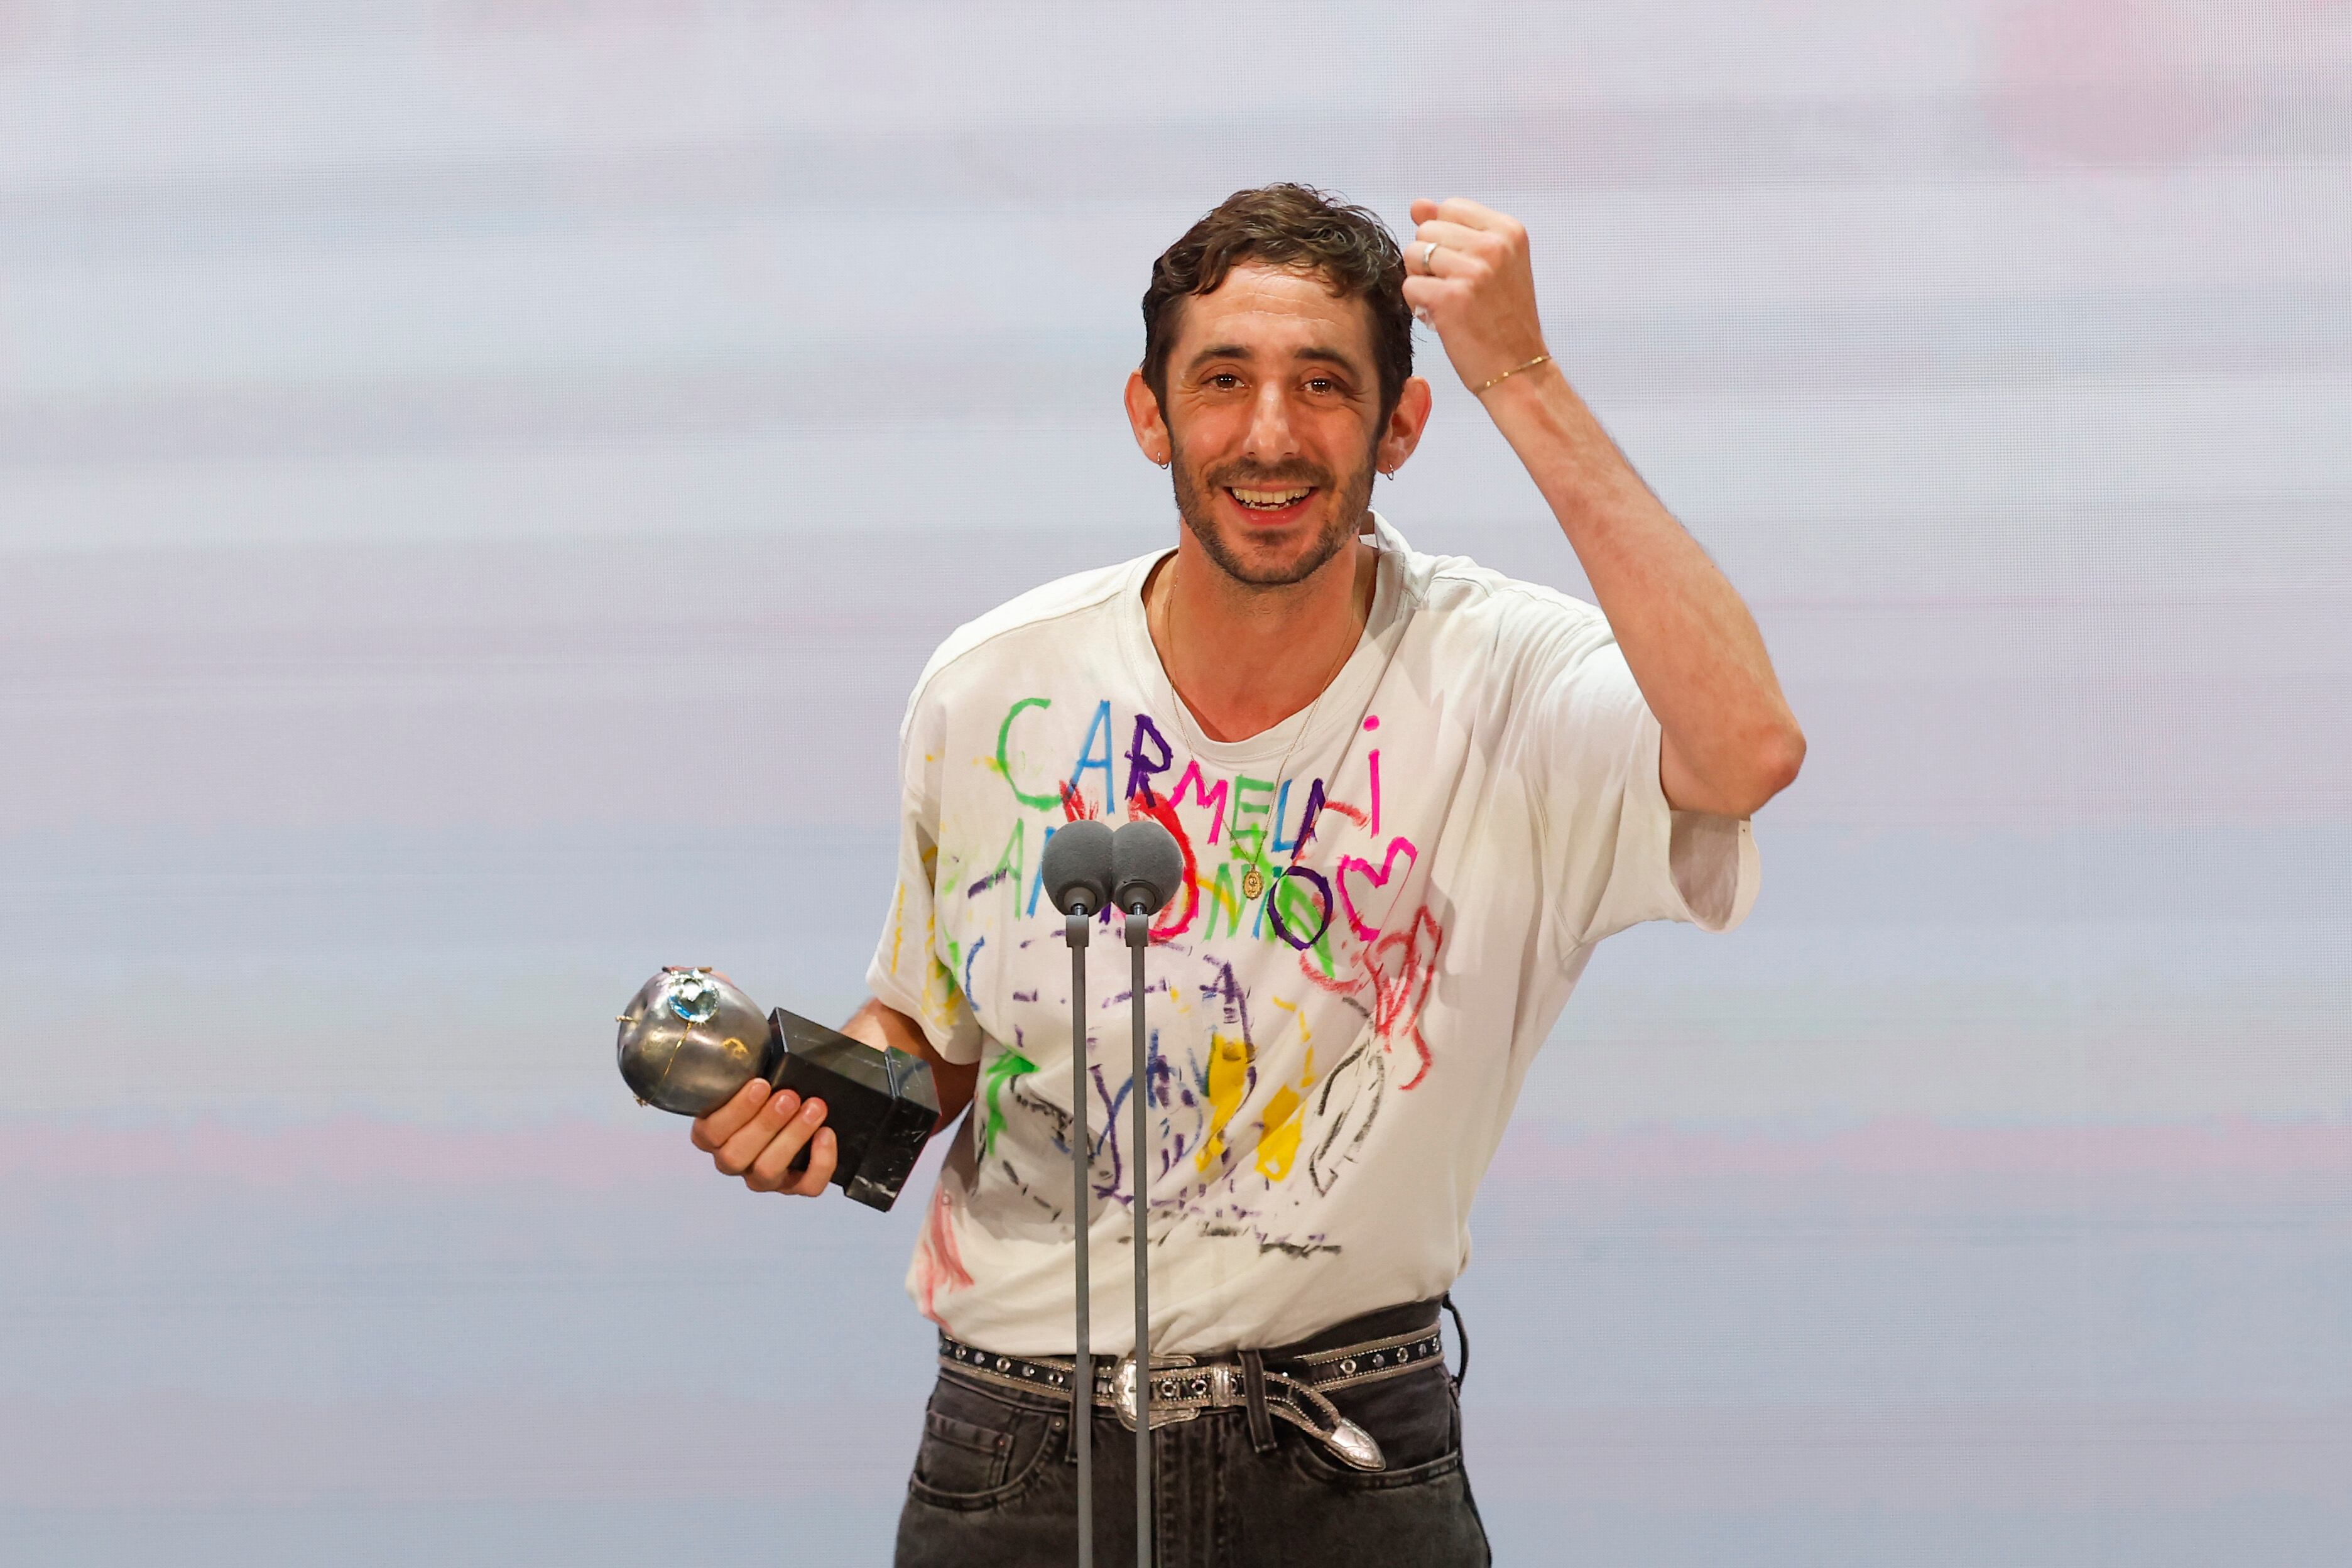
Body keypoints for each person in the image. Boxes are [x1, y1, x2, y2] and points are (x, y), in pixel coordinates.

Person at [689, 183, 1804, 1566]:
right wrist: (823, 1106)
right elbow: (939, 1032)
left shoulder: (1510, 680)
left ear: (1402, 425)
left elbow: (1749, 748)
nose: (1270, 435)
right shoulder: (993, 685)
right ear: (1150, 415)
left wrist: (1520, 372)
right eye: (1223, 381)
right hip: (1021, 1453)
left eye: (1324, 385)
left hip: (1343, 1449)